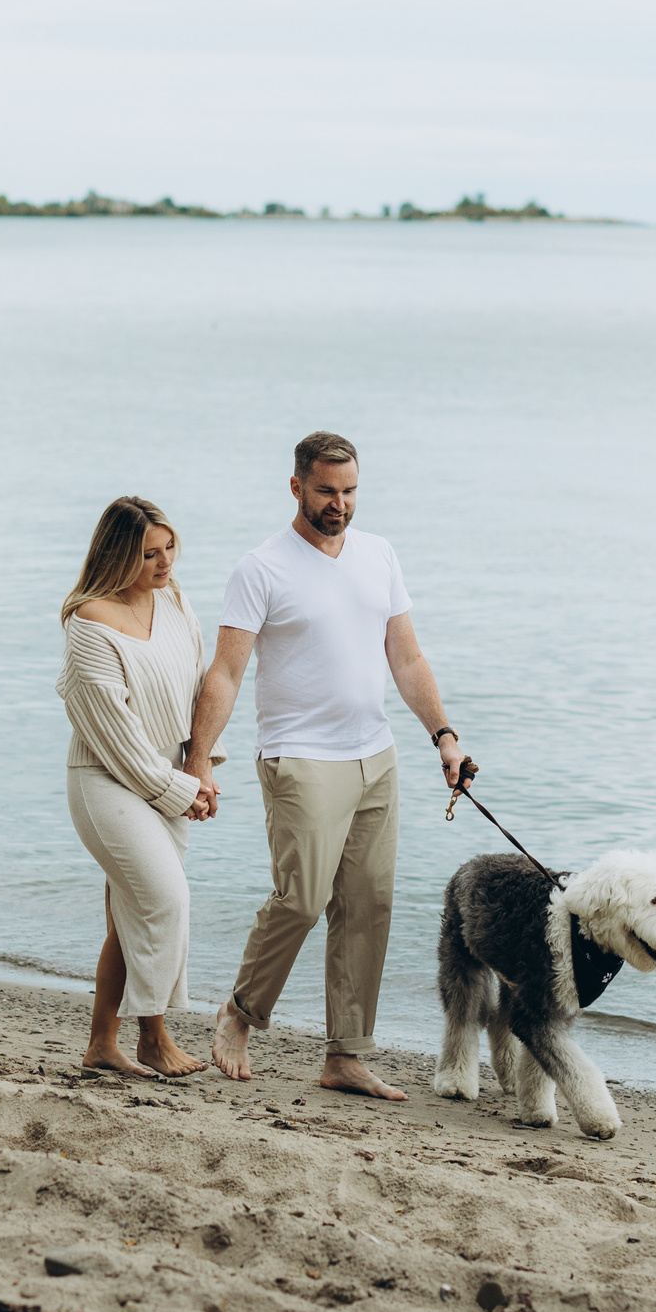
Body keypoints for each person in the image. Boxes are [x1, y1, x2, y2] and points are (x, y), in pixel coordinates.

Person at [183, 432, 471, 1098]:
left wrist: (444, 737)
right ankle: (240, 1011)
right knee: (303, 898)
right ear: (296, 487)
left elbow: (407, 657)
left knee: (369, 903)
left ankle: (345, 1053)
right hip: (300, 757)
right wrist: (201, 758)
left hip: (376, 755)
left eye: (348, 492)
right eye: (325, 491)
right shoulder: (262, 567)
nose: (338, 504)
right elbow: (226, 671)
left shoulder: (379, 554)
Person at [59, 496, 223, 1077]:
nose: (164, 563)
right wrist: (181, 791)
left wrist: (202, 767)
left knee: (129, 915)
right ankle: (154, 1037)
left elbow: (198, 690)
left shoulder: (175, 604)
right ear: (117, 555)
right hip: (106, 783)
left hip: (168, 780)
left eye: (169, 548)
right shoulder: (90, 624)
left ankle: (103, 1044)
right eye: (148, 554)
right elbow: (119, 739)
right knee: (164, 899)